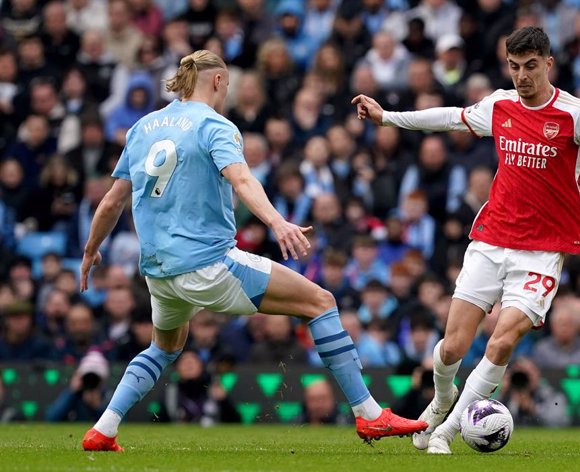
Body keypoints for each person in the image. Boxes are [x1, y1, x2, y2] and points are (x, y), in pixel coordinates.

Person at [79, 50, 426, 452]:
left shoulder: (142, 127)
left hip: (158, 270)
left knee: (165, 346)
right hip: (208, 263)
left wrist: (90, 250)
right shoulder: (214, 125)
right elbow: (241, 179)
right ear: (218, 82)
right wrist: (277, 221)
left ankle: (103, 429)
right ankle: (369, 414)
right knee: (321, 302)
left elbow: (111, 201)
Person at [353, 26, 580, 454]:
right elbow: (450, 116)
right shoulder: (500, 104)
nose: (521, 76)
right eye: (514, 67)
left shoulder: (576, 115)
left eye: (529, 67)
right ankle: (443, 399)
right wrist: (388, 118)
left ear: (548, 64)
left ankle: (447, 432)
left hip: (542, 252)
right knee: (451, 347)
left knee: (502, 340)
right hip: (491, 241)